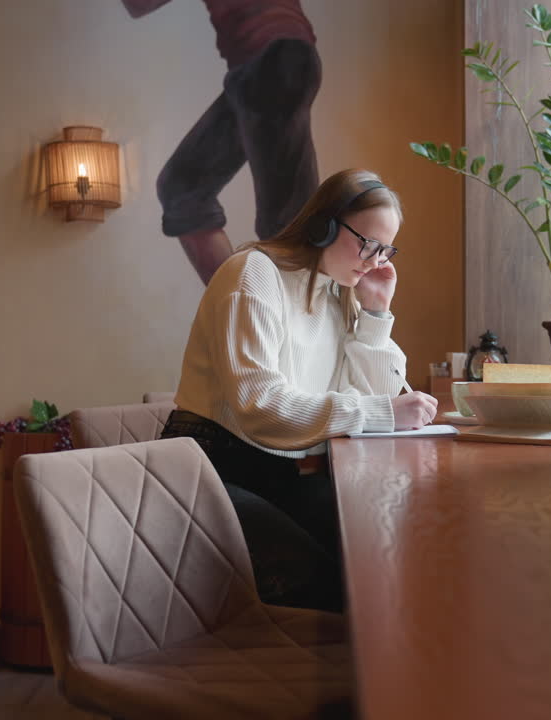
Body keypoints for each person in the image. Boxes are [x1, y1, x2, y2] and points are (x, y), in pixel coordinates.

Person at [161, 169, 438, 611]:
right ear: (322, 225)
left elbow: (377, 394)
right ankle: (335, 679)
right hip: (204, 473)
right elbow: (261, 408)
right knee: (329, 581)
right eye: (366, 243)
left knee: (386, 542)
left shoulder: (337, 291)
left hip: (277, 474)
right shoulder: (252, 275)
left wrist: (376, 313)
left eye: (385, 249)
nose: (374, 261)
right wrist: (382, 411)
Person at [121, 0, 322, 284]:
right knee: (182, 188)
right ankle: (240, 304)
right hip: (266, 62)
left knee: (287, 222)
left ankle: (285, 316)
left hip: (274, 59)